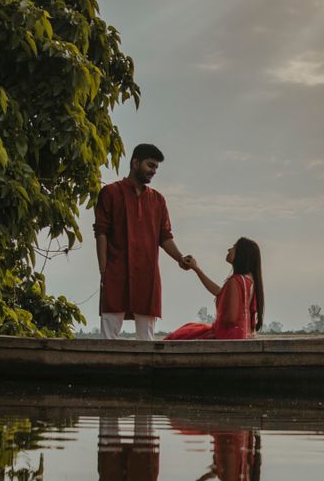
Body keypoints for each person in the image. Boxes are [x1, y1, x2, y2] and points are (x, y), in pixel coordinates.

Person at [94, 144, 192, 339]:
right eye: (150, 165)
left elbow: (165, 237)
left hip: (148, 275)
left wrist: (180, 258)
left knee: (147, 339)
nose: (153, 171)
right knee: (108, 336)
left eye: (156, 168)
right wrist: (104, 270)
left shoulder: (158, 200)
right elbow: (101, 233)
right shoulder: (110, 193)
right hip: (115, 272)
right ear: (135, 163)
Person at [165, 238, 264, 341]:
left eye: (233, 247)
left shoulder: (235, 281)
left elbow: (231, 317)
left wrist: (218, 323)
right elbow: (219, 291)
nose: (229, 250)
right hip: (242, 334)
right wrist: (197, 269)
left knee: (179, 335)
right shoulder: (248, 280)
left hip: (230, 336)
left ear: (241, 254)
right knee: (189, 329)